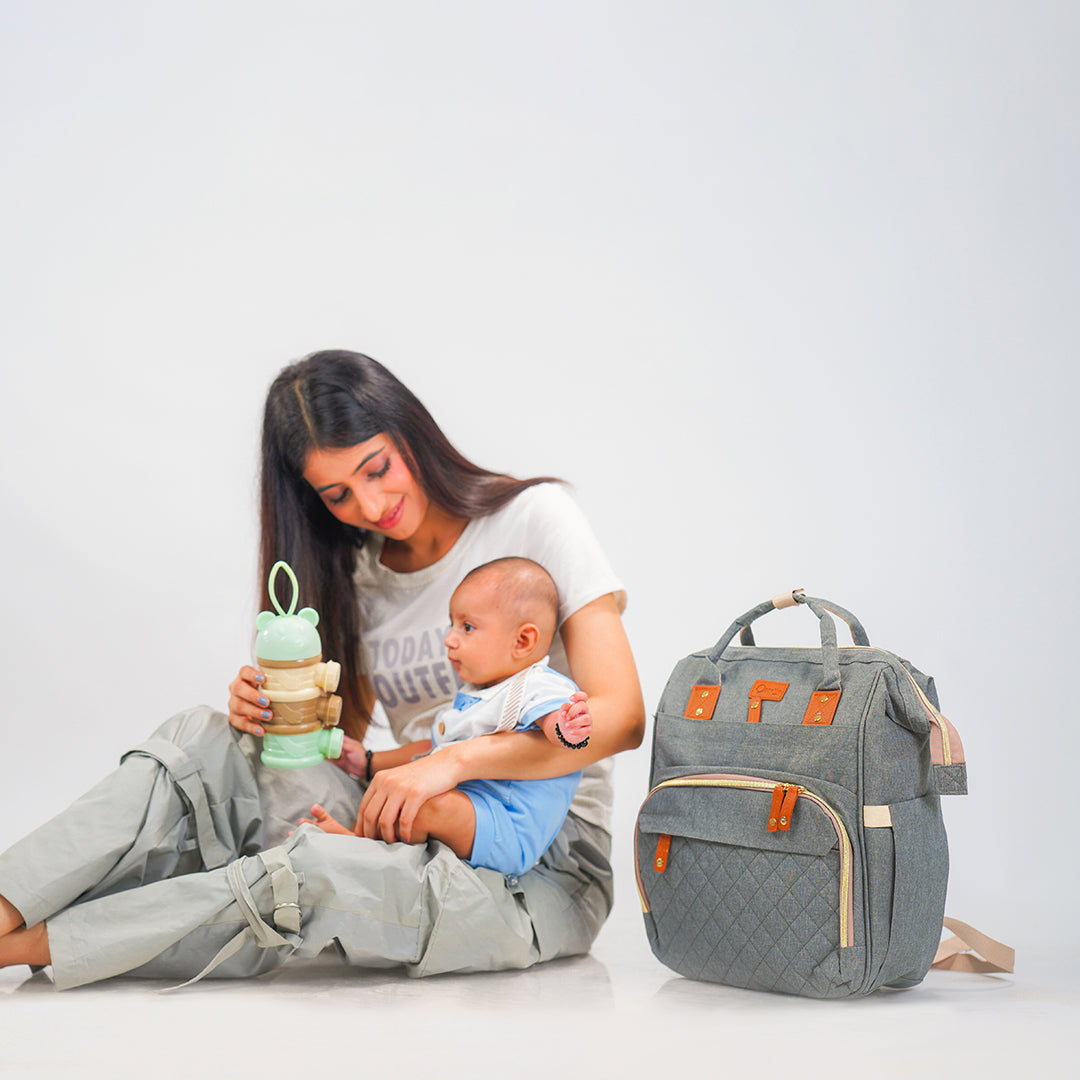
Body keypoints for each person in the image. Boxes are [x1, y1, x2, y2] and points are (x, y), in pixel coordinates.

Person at [0, 349, 644, 989]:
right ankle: (6, 905)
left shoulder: (536, 520)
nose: (371, 504)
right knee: (202, 739)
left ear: (409, 432)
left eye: (377, 468)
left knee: (309, 870)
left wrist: (450, 763)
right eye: (338, 494)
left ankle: (28, 946)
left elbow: (621, 719)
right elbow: (336, 752)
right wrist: (271, 713)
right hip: (404, 821)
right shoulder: (356, 570)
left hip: (537, 860)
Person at [302, 556, 592, 878]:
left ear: (522, 641)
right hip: (476, 813)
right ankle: (364, 839)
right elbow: (432, 750)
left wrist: (567, 726)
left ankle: (358, 843)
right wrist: (369, 761)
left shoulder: (537, 685)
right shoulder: (477, 695)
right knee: (404, 787)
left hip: (507, 828)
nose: (449, 639)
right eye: (452, 624)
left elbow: (554, 723)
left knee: (425, 804)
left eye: (467, 627)